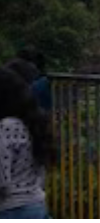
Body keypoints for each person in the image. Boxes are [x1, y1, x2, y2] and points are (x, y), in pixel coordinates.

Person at [0, 67, 55, 218]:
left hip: (10, 209)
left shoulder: (5, 127)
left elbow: (1, 179)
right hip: (35, 204)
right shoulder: (31, 122)